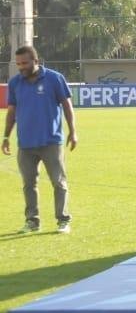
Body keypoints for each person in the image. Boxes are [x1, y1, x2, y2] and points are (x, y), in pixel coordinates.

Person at [4, 45, 77, 234]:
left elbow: (67, 105)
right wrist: (6, 136)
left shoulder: (54, 78)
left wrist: (73, 131)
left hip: (51, 142)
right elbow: (11, 112)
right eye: (18, 63)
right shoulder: (15, 83)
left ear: (36, 61)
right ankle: (32, 221)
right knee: (29, 184)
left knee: (58, 182)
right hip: (26, 144)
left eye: (25, 63)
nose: (21, 67)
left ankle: (63, 220)